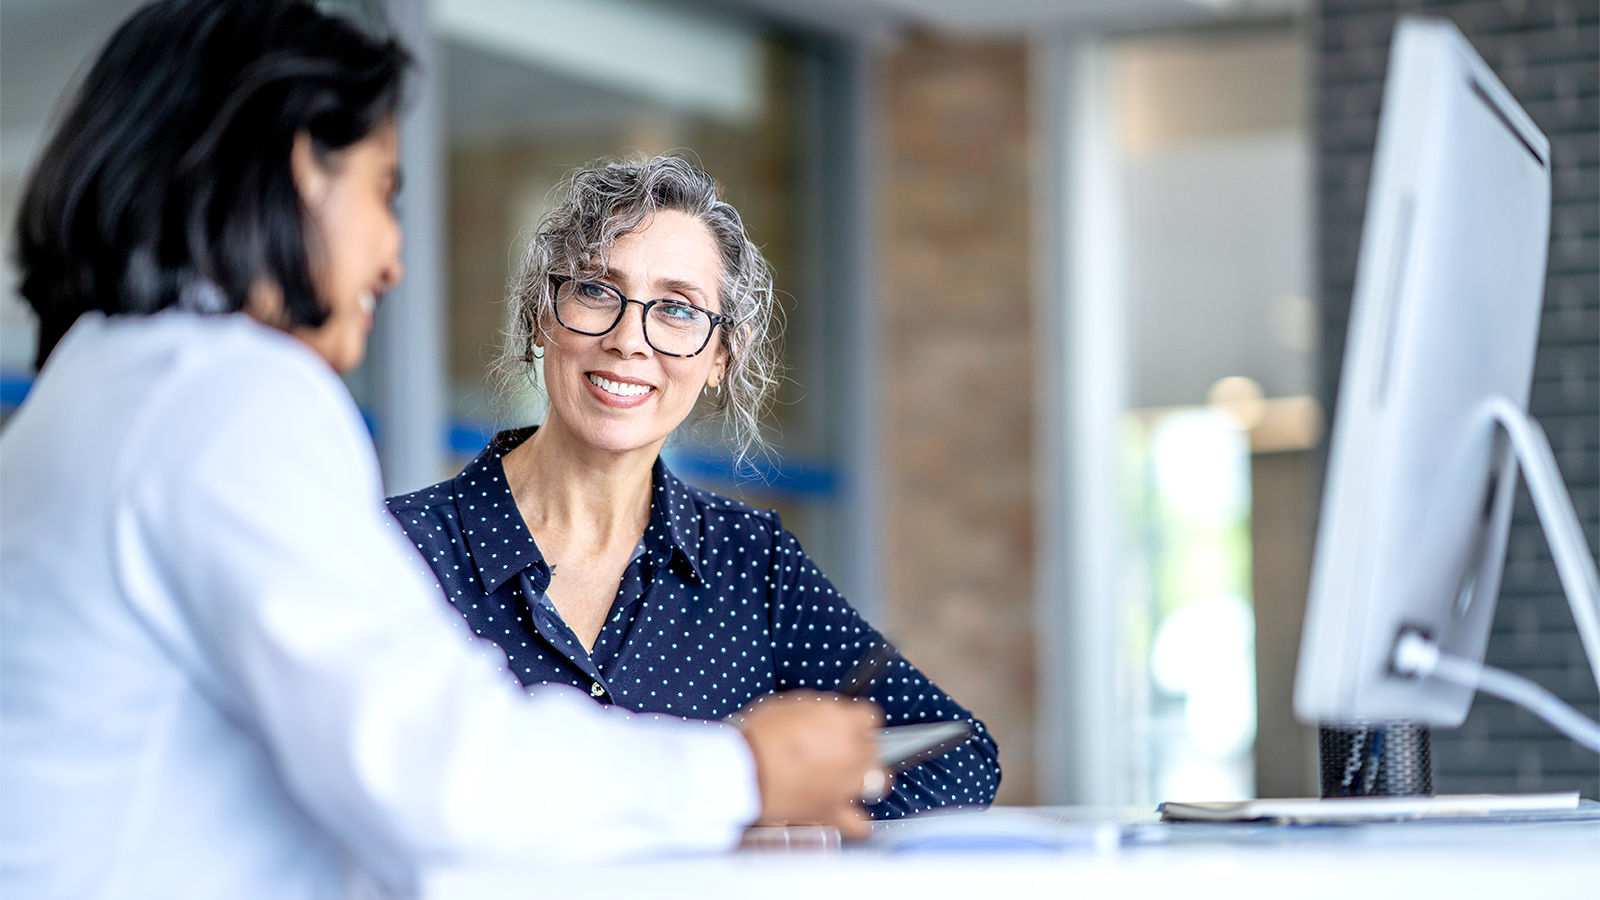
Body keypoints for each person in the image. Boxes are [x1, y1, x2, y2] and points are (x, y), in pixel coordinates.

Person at [0, 3, 881, 898]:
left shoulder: (90, 391)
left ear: (722, 354)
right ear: (308, 173)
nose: (393, 261)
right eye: (383, 192)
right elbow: (441, 777)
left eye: (679, 310)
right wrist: (741, 773)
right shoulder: (232, 396)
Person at [386, 155, 1002, 818]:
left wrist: (779, 816)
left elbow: (958, 756)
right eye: (596, 290)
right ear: (544, 314)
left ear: (719, 358)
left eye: (677, 309)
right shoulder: (395, 551)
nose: (629, 340)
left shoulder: (751, 563)